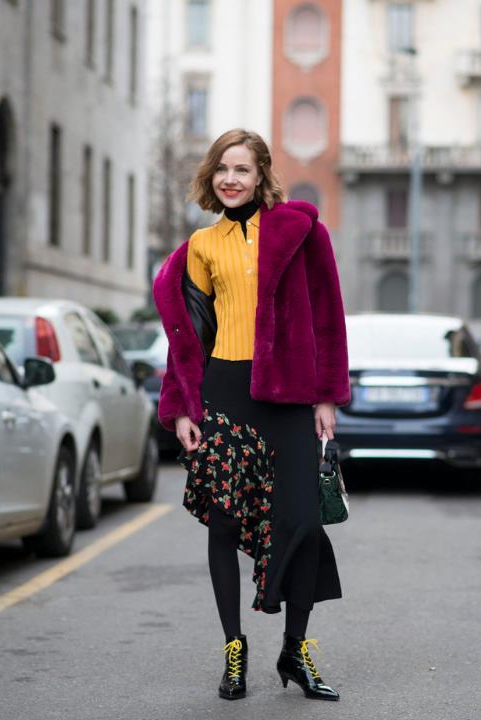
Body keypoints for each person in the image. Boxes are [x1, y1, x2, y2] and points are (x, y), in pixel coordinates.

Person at [152, 129, 350, 702]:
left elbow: (328, 315)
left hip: (287, 396)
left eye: (241, 169)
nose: (230, 179)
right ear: (211, 177)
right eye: (221, 169)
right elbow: (188, 337)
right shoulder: (201, 245)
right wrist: (182, 407)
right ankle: (233, 650)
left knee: (303, 522)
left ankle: (295, 650)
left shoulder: (301, 233)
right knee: (224, 522)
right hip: (224, 394)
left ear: (261, 174)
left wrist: (326, 395)